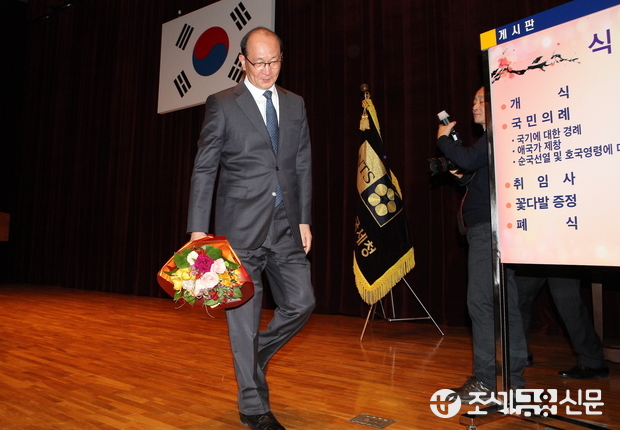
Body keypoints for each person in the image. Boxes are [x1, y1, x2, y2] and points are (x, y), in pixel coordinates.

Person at [187, 27, 315, 430]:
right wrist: (197, 229)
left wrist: (304, 218)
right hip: (239, 229)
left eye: (274, 61)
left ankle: (253, 357)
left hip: (285, 224)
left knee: (303, 302)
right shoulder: (223, 104)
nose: (267, 70)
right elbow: (205, 167)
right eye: (258, 62)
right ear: (242, 61)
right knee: (243, 319)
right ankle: (253, 407)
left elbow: (301, 163)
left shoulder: (295, 104)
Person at [436, 87, 527, 401]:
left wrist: (444, 140)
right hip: (496, 229)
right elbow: (477, 172)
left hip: (489, 231)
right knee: (504, 305)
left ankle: (487, 382)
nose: (474, 105)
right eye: (473, 100)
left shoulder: (497, 133)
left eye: (481, 100)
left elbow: (469, 158)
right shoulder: (498, 137)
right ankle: (511, 379)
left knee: (481, 304)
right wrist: (462, 175)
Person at [516, 265, 609, 379]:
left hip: (561, 257)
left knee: (568, 303)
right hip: (530, 256)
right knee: (517, 300)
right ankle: (520, 352)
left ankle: (592, 361)